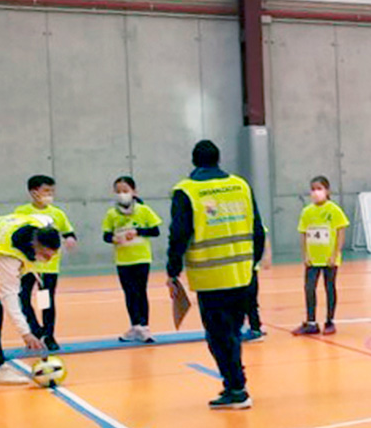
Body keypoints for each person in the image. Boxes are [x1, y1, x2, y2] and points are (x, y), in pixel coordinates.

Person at [167, 139, 265, 411]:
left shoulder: (186, 191)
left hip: (211, 277)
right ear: (218, 158)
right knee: (232, 332)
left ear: (194, 160)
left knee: (219, 337)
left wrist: (172, 270)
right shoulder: (240, 185)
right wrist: (252, 262)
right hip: (243, 274)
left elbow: (179, 234)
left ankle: (237, 388)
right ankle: (235, 383)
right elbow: (258, 229)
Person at [0, 214, 60, 383]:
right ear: (35, 245)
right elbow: (9, 296)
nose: (48, 259)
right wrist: (26, 334)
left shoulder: (42, 223)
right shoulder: (9, 255)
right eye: (45, 254)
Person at [14, 174, 75, 351]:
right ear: (34, 192)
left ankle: (48, 335)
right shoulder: (22, 212)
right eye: (46, 191)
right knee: (23, 298)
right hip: (28, 266)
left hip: (48, 266)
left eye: (52, 191)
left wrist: (70, 238)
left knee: (45, 301)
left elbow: (68, 232)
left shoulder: (57, 213)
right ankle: (36, 330)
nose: (49, 194)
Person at [102, 175, 162, 342]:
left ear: (134, 191)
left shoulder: (144, 210)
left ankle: (145, 326)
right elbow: (106, 235)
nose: (122, 194)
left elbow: (155, 231)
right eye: (118, 191)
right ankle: (135, 326)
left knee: (140, 291)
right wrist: (114, 238)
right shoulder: (112, 214)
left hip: (141, 258)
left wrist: (138, 232)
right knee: (129, 293)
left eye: (125, 190)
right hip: (123, 259)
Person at [293, 175, 350, 336]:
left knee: (329, 287)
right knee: (309, 288)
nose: (316, 193)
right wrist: (305, 255)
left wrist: (335, 254)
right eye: (313, 189)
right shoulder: (307, 211)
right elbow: (303, 234)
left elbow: (340, 232)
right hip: (313, 259)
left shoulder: (334, 210)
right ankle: (311, 322)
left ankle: (330, 321)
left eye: (319, 189)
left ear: (327, 191)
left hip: (329, 258)